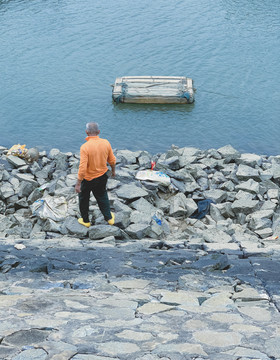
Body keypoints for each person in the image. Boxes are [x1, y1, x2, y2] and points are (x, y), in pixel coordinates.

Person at [75, 122, 116, 227]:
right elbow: (112, 160)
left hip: (88, 179)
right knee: (102, 196)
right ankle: (109, 218)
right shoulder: (106, 143)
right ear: (98, 132)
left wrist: (78, 183)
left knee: (84, 198)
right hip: (102, 176)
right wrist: (113, 171)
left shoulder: (85, 147)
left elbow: (82, 167)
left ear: (86, 132)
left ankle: (86, 221)